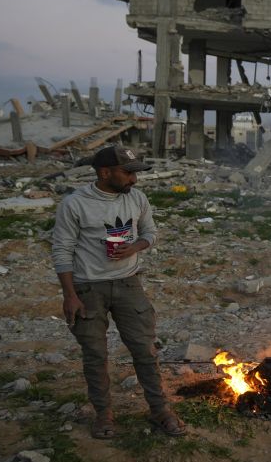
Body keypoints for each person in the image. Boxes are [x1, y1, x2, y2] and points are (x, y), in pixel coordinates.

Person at [50, 145, 186, 438]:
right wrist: (70, 295)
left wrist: (135, 247)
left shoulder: (137, 198)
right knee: (95, 355)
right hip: (88, 288)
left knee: (145, 350)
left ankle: (160, 410)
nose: (134, 180)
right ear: (104, 172)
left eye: (135, 173)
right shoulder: (75, 204)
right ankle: (104, 415)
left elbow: (151, 233)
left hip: (128, 284)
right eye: (128, 173)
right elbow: (61, 251)